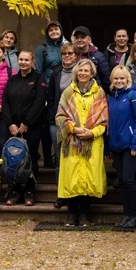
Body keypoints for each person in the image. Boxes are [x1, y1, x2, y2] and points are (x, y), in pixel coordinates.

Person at [56, 59, 108, 227]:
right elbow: (60, 116)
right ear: (76, 73)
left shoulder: (99, 93)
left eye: (87, 71)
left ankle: (85, 214)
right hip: (72, 141)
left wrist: (92, 132)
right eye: (81, 71)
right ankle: (72, 214)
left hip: (92, 142)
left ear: (92, 73)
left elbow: (104, 120)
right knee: (72, 177)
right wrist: (73, 129)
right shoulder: (68, 92)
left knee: (87, 178)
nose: (83, 73)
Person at [2, 50, 47, 206]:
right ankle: (14, 191)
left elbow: (40, 102)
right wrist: (10, 124)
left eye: (26, 60)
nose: (23, 62)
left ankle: (29, 191)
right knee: (12, 158)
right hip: (13, 128)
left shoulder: (38, 78)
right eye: (21, 59)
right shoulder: (12, 80)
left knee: (30, 158)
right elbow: (5, 102)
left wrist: (27, 123)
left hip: (32, 127)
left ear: (32, 61)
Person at [107, 66, 136, 229]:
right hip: (116, 145)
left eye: (122, 78)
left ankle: (134, 216)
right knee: (122, 181)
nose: (119, 81)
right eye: (116, 78)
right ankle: (126, 215)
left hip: (130, 145)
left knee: (129, 180)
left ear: (128, 80)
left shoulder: (133, 96)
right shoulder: (111, 98)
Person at [47, 42, 78, 207]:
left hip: (76, 121)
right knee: (60, 157)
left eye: (70, 54)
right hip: (57, 121)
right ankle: (62, 193)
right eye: (64, 54)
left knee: (73, 157)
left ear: (75, 55)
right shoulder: (55, 72)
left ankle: (74, 191)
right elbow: (51, 96)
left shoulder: (81, 71)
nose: (67, 56)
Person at [71, 25, 111, 92]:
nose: (79, 40)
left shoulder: (99, 56)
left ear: (89, 39)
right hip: (74, 94)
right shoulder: (71, 55)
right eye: (77, 38)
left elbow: (106, 80)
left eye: (82, 37)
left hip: (94, 94)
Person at [35, 20, 67, 85]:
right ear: (47, 33)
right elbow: (38, 71)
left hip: (63, 84)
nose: (54, 32)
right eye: (51, 30)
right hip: (48, 85)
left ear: (61, 31)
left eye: (56, 29)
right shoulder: (42, 49)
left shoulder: (66, 47)